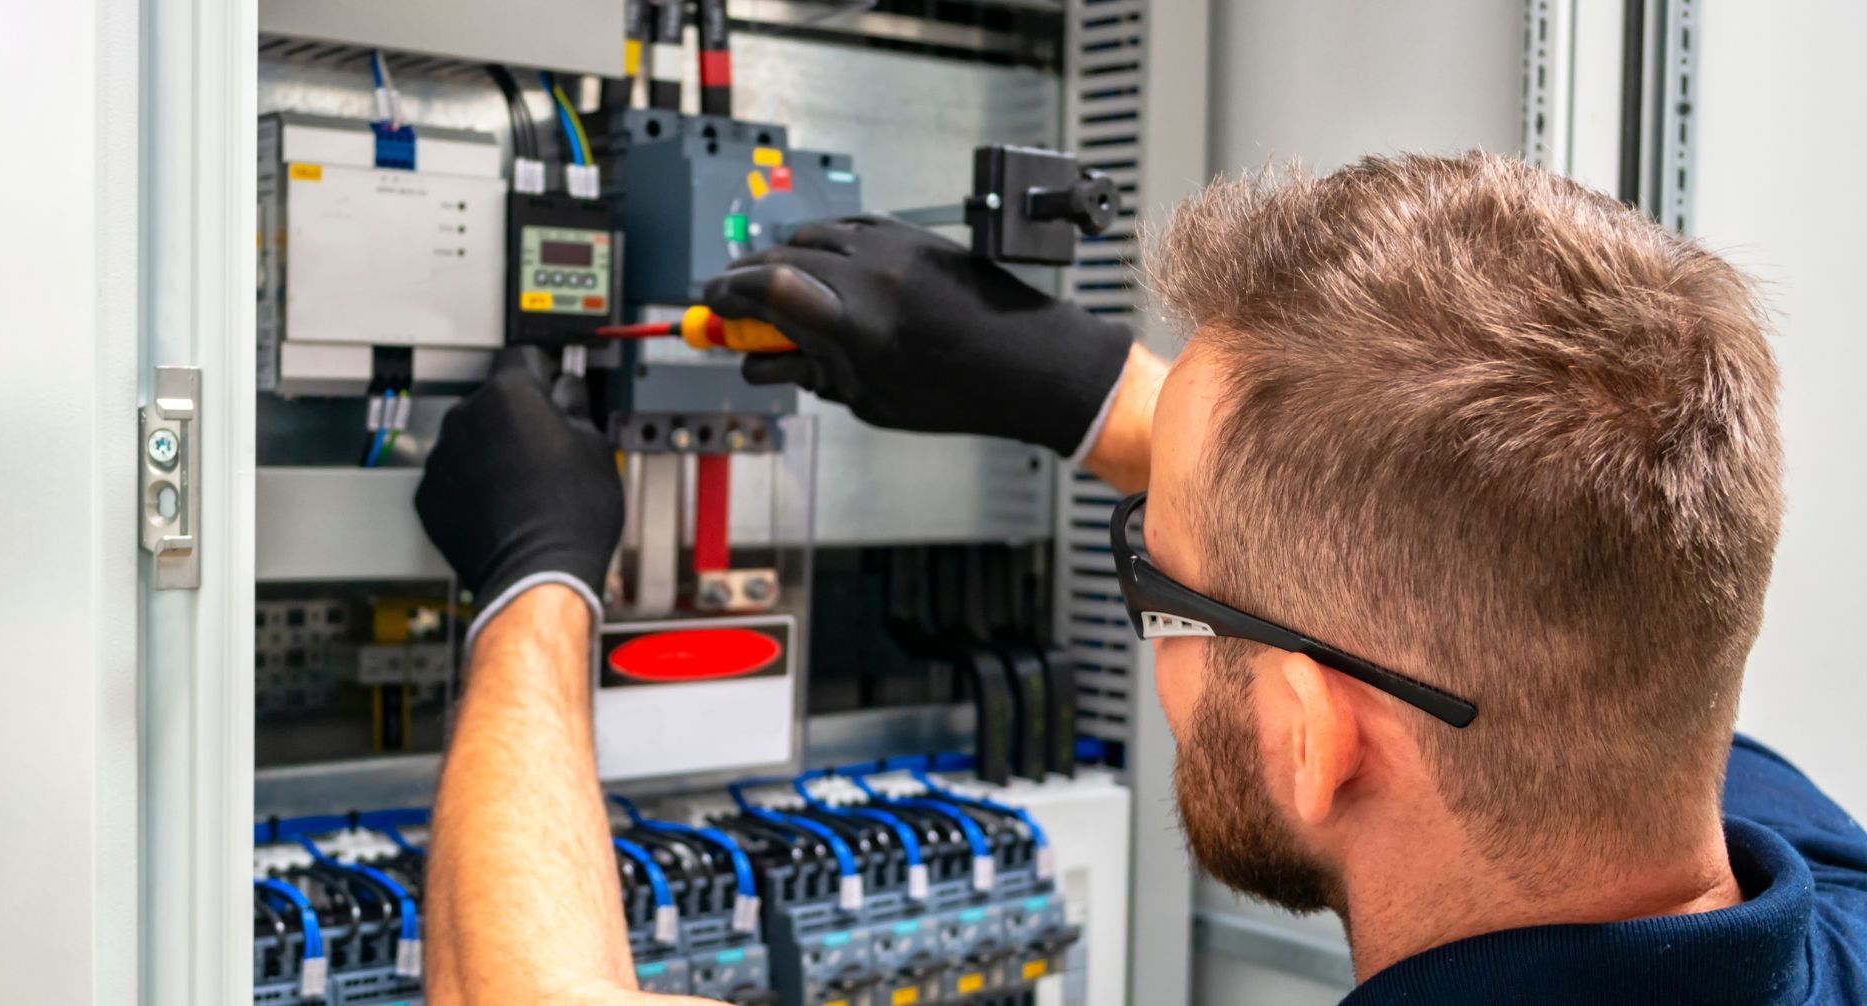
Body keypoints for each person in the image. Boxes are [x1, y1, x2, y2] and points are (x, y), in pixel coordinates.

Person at [411, 153, 1867, 1005]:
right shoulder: (1820, 898)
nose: (1147, 604)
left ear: (1312, 736)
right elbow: (1544, 585)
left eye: (1155, 579)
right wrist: (1088, 387)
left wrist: (534, 585)